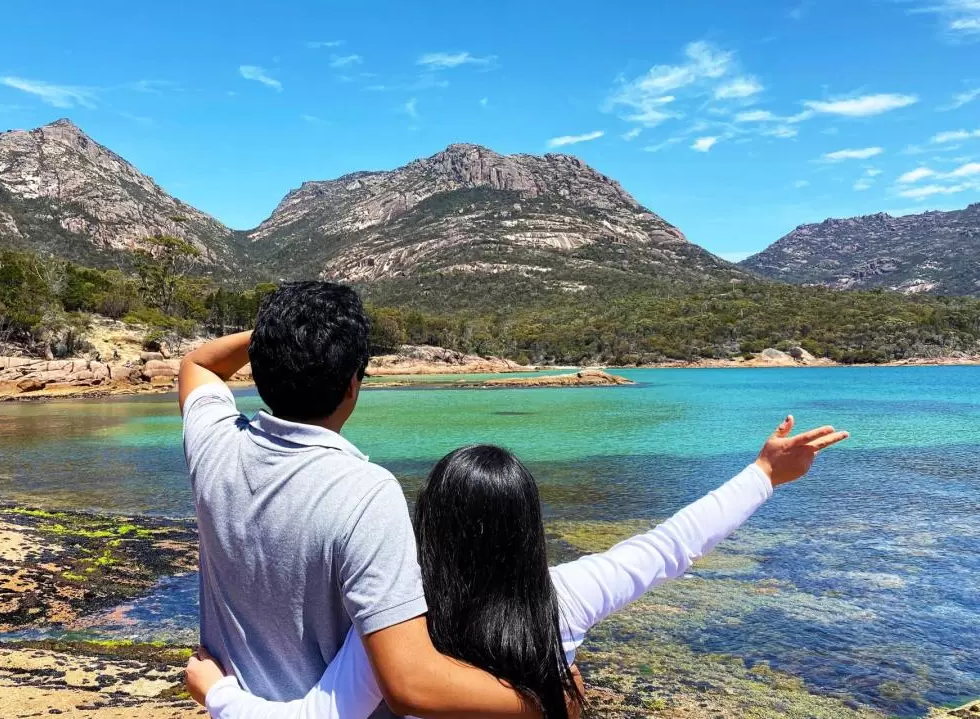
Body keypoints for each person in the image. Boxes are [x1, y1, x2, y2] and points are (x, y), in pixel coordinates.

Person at [185, 421, 848, 719]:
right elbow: (669, 547)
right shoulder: (564, 596)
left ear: (431, 524)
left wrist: (216, 691)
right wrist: (764, 473)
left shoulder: (402, 624)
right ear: (526, 524)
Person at [179, 281, 542, 719]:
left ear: (259, 369)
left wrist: (279, 338)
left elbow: (199, 363)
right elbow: (410, 684)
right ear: (352, 384)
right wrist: (542, 701)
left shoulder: (214, 447)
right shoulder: (366, 493)